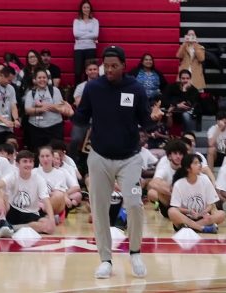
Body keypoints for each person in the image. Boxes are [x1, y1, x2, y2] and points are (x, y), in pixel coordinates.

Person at [71, 45, 164, 279]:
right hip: (99, 157)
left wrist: (154, 118)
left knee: (134, 203)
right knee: (100, 209)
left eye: (114, 66)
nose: (110, 70)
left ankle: (135, 252)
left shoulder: (136, 88)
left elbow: (146, 122)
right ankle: (105, 259)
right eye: (107, 66)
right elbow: (81, 118)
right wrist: (69, 112)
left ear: (123, 65)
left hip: (130, 159)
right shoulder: (93, 88)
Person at [0, 150, 57, 236]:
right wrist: (0, 201)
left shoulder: (39, 179)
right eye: (25, 161)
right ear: (18, 164)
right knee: (0, 192)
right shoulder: (13, 176)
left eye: (30, 161)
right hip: (12, 211)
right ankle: (2, 221)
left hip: (31, 213)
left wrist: (51, 219)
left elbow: (46, 200)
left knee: (49, 228)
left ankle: (10, 228)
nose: (28, 164)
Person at [168, 154, 226, 233]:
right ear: (188, 168)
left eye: (199, 163)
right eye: (195, 163)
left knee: (221, 214)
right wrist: (189, 211)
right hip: (185, 218)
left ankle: (188, 229)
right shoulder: (179, 184)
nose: (199, 165)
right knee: (172, 211)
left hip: (202, 217)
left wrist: (202, 213)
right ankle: (202, 228)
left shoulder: (205, 180)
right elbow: (177, 207)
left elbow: (211, 204)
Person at [24, 68, 73, 152]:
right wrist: (40, 110)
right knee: (37, 152)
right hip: (36, 128)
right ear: (35, 80)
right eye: (39, 78)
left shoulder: (55, 90)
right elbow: (27, 110)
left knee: (56, 152)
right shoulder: (30, 93)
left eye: (44, 77)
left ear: (48, 79)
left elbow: (60, 108)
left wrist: (44, 105)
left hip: (54, 127)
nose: (42, 80)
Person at [73, 0, 99, 84]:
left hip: (91, 48)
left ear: (90, 9)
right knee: (78, 72)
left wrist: (82, 35)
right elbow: (76, 34)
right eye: (84, 7)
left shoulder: (95, 21)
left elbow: (95, 35)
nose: (86, 9)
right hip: (79, 49)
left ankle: (88, 91)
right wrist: (89, 34)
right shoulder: (76, 21)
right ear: (81, 9)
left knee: (89, 72)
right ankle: (77, 92)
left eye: (88, 7)